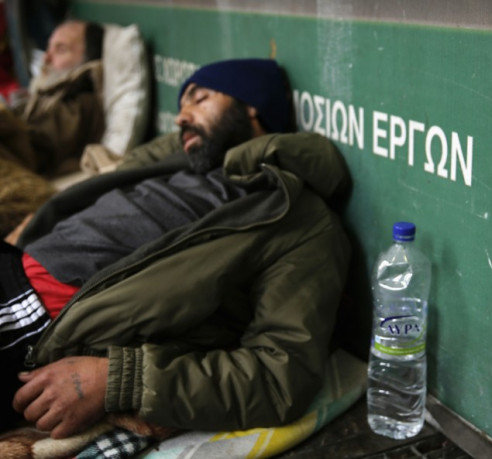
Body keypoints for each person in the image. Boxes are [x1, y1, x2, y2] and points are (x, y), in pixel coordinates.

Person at [1, 58, 352, 439]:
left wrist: (118, 379)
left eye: (199, 99)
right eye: (180, 106)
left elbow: (279, 375)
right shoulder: (178, 164)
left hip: (44, 319)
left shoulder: (296, 217)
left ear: (253, 105)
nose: (181, 117)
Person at [1, 19, 105, 175]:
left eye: (60, 50)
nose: (46, 58)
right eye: (48, 48)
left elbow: (33, 150)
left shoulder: (80, 106)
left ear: (86, 59)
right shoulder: (48, 94)